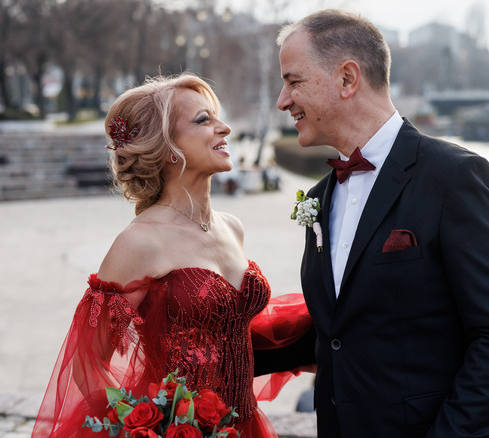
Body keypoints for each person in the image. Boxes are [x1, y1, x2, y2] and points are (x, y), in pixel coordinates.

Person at [272, 10, 489, 437]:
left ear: (346, 79)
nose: (283, 100)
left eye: (293, 81)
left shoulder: (456, 177)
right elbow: (341, 333)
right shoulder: (319, 199)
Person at [32, 74, 314, 438]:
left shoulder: (233, 228)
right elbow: (88, 364)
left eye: (218, 117)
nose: (224, 128)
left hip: (246, 426)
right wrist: (149, 427)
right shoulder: (140, 242)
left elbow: (232, 326)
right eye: (203, 120)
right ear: (167, 148)